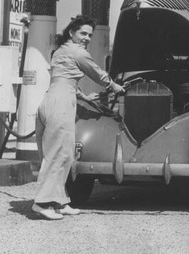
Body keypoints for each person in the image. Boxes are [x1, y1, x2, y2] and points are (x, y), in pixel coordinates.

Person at [32, 15, 126, 220]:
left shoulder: (60, 51)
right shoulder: (78, 51)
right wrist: (114, 86)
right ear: (71, 32)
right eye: (83, 33)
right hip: (61, 105)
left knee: (63, 152)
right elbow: (97, 73)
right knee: (59, 153)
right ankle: (41, 203)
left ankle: (59, 201)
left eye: (89, 35)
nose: (87, 38)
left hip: (49, 100)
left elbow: (63, 79)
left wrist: (84, 96)